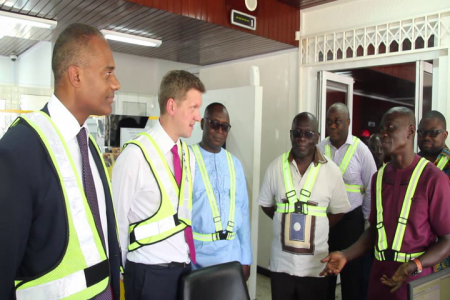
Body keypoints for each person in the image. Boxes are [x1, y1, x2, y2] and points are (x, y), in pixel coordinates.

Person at [0, 23, 122, 299]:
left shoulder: (88, 145)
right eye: (108, 73)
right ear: (75, 76)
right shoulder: (19, 151)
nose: (116, 84)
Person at [320, 107, 450, 300]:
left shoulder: (434, 178)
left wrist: (413, 266)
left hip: (414, 278)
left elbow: (447, 241)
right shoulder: (379, 176)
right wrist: (346, 254)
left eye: (390, 128)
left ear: (410, 131)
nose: (383, 134)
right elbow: (374, 231)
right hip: (379, 275)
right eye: (382, 129)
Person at [112, 70, 205, 300]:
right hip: (147, 273)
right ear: (172, 106)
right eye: (193, 108)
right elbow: (116, 223)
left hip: (183, 271)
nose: (199, 116)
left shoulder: (187, 155)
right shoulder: (134, 155)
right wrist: (123, 272)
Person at [258, 112, 350, 300]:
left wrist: (317, 225)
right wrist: (284, 220)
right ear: (291, 135)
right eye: (297, 133)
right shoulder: (276, 167)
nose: (302, 138)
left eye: (308, 134)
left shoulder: (331, 171)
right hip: (281, 265)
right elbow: (266, 205)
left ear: (317, 137)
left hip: (315, 267)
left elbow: (339, 210)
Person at [317, 102, 377, 300]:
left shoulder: (361, 150)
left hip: (352, 223)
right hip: (325, 221)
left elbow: (371, 187)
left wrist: (367, 220)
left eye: (338, 122)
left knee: (352, 279)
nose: (332, 126)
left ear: (348, 122)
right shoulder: (319, 148)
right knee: (324, 273)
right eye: (329, 122)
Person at [191, 103, 252, 280]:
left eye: (224, 127)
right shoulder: (187, 158)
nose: (219, 131)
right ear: (203, 123)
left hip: (230, 255)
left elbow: (243, 211)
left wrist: (245, 258)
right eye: (214, 124)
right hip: (197, 255)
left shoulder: (235, 164)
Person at [417, 110, 450, 271]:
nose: (426, 137)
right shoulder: (411, 164)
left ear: (445, 134)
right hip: (415, 247)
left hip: (445, 248)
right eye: (422, 132)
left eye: (433, 133)